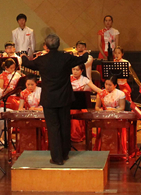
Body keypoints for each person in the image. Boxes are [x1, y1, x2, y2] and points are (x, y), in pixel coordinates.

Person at [21, 33, 91, 165]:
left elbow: (27, 63)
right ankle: (65, 153)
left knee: (53, 127)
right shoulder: (66, 57)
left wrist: (23, 56)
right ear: (58, 45)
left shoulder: (42, 59)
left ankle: (57, 158)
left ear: (46, 46)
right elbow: (82, 59)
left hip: (49, 99)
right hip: (64, 97)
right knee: (65, 125)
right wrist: (86, 53)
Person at [95, 76, 128, 154]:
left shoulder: (120, 93)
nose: (107, 87)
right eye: (106, 84)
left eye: (110, 85)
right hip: (105, 116)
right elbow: (97, 107)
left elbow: (122, 108)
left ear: (115, 85)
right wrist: (100, 110)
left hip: (116, 116)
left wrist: (113, 110)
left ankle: (117, 152)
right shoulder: (101, 93)